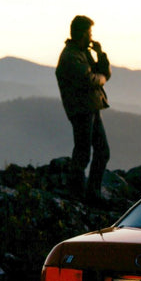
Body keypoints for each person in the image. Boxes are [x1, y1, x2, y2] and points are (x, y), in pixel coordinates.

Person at [55, 15, 111, 204]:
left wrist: (100, 54)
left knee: (101, 151)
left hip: (91, 108)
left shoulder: (82, 53)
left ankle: (90, 193)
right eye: (89, 33)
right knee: (83, 152)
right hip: (81, 111)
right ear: (81, 34)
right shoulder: (70, 56)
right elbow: (90, 80)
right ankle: (78, 194)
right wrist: (101, 78)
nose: (91, 37)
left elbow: (104, 73)